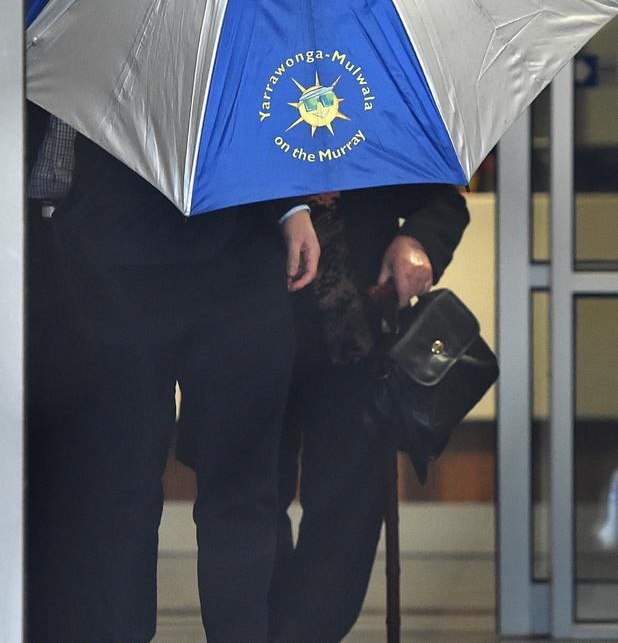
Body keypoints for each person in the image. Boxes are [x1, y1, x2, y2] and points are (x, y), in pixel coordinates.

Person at [25, 105, 320, 643]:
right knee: (118, 493)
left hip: (240, 251)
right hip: (113, 254)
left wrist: (290, 205)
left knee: (243, 495)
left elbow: (267, 83)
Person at [267, 185, 469, 643]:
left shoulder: (376, 113)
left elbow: (441, 200)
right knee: (247, 512)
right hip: (247, 341)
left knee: (348, 517)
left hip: (355, 337)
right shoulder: (229, 115)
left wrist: (418, 241)